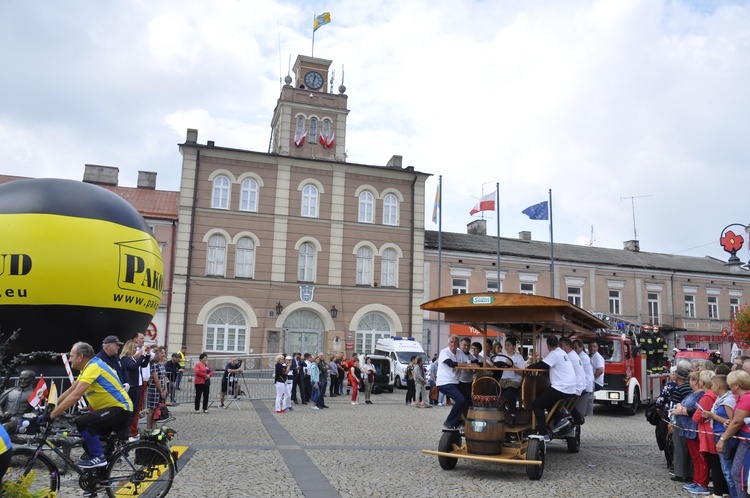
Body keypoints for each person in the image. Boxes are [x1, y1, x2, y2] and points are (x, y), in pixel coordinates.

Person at [39, 342, 132, 469]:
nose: (69, 359)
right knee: (87, 443)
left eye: (71, 356)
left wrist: (52, 416)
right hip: (111, 409)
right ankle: (100, 477)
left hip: (120, 409)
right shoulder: (88, 367)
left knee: (83, 423)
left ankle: (99, 458)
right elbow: (72, 390)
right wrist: (51, 406)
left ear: (80, 357)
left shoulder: (93, 367)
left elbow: (76, 396)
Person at [527, 335, 577, 441]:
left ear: (548, 346)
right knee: (547, 400)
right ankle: (561, 420)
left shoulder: (554, 354)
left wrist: (528, 367)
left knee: (537, 404)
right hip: (570, 387)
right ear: (558, 344)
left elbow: (543, 364)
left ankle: (543, 433)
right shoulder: (562, 353)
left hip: (562, 387)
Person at [692, 370, 729, 497]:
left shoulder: (708, 396)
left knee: (716, 464)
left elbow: (697, 417)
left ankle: (719, 492)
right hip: (714, 432)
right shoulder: (717, 396)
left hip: (709, 433)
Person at [673, 370, 708, 495]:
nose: (690, 382)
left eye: (692, 380)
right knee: (694, 457)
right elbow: (682, 404)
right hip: (687, 428)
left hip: (693, 428)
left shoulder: (701, 395)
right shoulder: (693, 393)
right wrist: (680, 409)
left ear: (697, 382)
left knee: (699, 457)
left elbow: (693, 409)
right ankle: (697, 480)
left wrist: (681, 411)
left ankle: (702, 482)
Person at [716, 370, 750, 498]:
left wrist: (723, 438)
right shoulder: (744, 397)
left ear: (737, 385)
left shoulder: (746, 398)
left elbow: (737, 422)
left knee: (738, 473)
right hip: (744, 439)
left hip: (747, 441)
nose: (729, 387)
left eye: (730, 384)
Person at [703, 373, 737, 498]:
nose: (711, 388)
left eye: (712, 385)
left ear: (718, 386)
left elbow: (732, 421)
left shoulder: (728, 400)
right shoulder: (720, 398)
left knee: (727, 469)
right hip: (718, 433)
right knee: (725, 468)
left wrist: (712, 416)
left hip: (724, 435)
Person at [436, 335, 469, 431]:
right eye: (452, 342)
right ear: (448, 343)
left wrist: (475, 364)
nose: (453, 344)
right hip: (444, 383)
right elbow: (451, 364)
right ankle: (449, 422)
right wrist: (468, 365)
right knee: (461, 399)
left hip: (455, 382)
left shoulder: (459, 352)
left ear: (458, 344)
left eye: (455, 342)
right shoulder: (444, 352)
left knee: (467, 398)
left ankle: (461, 420)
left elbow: (469, 360)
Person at [668, 362, 694, 484]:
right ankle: (691, 473)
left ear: (677, 377)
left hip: (681, 422)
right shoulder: (691, 388)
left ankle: (680, 473)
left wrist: (671, 424)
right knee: (690, 449)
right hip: (692, 423)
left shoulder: (679, 390)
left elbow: (673, 408)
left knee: (679, 448)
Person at [497, 337, 525, 427]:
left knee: (510, 391)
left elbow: (521, 372)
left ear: (514, 346)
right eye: (505, 345)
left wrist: (511, 365)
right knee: (494, 389)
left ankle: (513, 415)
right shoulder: (501, 356)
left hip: (514, 380)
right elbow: (494, 365)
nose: (506, 347)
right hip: (504, 379)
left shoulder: (518, 357)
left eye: (508, 345)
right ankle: (496, 413)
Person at [146, 347, 168, 430]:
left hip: (161, 390)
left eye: (164, 353)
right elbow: (156, 379)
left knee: (157, 410)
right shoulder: (155, 365)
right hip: (154, 390)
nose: (163, 354)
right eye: (161, 353)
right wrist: (161, 390)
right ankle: (148, 429)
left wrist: (165, 389)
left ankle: (154, 428)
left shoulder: (162, 366)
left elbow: (164, 378)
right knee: (152, 410)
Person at [573, 339, 595, 418]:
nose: (574, 350)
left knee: (579, 408)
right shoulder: (582, 356)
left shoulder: (582, 357)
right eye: (573, 348)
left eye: (576, 348)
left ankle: (578, 421)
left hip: (585, 384)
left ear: (581, 347)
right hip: (585, 383)